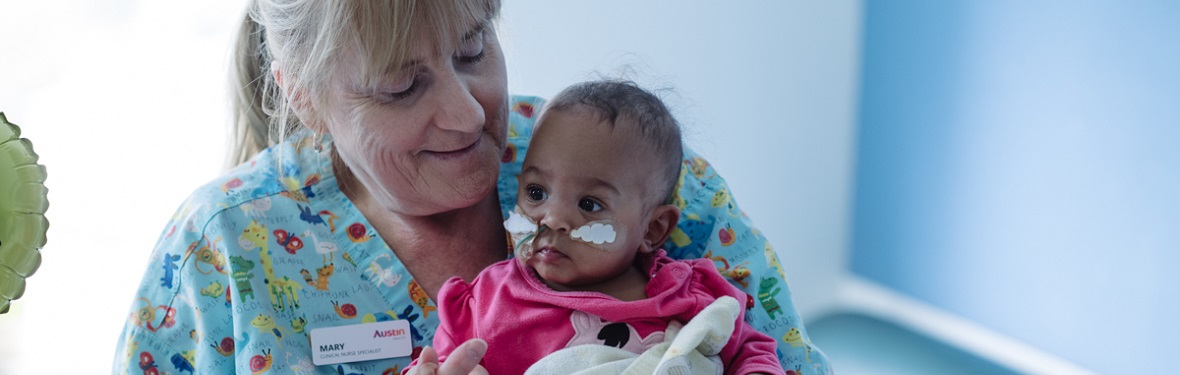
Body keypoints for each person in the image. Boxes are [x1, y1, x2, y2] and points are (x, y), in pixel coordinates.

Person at [112, 1, 832, 375]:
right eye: (402, 85)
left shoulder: (637, 175)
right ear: (302, 96)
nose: (465, 112)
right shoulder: (223, 253)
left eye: (473, 49)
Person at [406, 80, 785, 375]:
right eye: (536, 192)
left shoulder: (687, 295)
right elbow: (440, 363)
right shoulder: (487, 302)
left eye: (589, 205)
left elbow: (751, 350)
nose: (551, 218)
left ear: (652, 230)